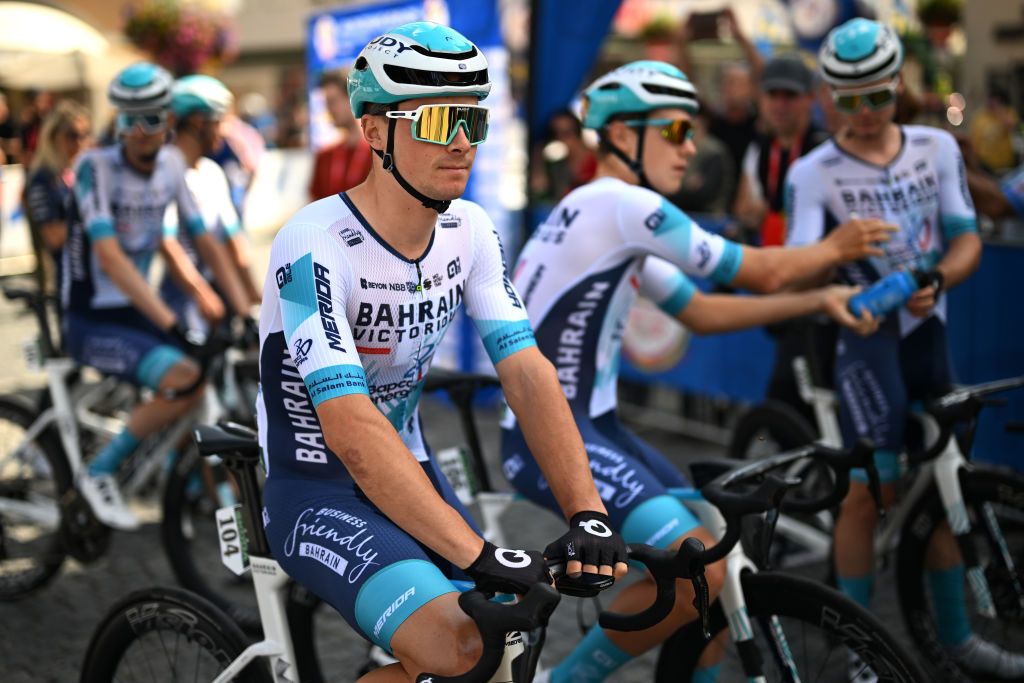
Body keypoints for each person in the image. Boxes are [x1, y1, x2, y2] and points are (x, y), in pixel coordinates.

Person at [257, 22, 629, 682]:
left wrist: (588, 512)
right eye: (434, 120)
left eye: (472, 120)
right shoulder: (314, 241)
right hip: (318, 488)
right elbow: (351, 430)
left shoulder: (470, 229)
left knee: (505, 641)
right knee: (461, 650)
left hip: (413, 470)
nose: (461, 142)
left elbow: (527, 371)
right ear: (374, 131)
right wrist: (482, 553)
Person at [501, 60, 891, 683]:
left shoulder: (602, 213)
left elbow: (701, 312)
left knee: (709, 551)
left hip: (588, 425)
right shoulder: (619, 204)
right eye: (677, 132)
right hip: (552, 434)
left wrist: (819, 298)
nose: (691, 151)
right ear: (624, 137)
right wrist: (835, 249)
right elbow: (759, 271)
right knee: (698, 573)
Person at [786, 19, 1022, 680]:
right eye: (847, 99)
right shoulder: (814, 172)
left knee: (949, 482)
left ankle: (955, 636)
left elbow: (966, 239)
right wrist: (840, 261)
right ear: (830, 95)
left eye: (876, 97)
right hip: (865, 342)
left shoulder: (936, 148)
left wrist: (938, 278)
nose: (862, 114)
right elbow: (798, 268)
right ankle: (856, 645)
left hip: (928, 334)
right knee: (871, 490)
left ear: (898, 84)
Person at [66, 63, 224, 531]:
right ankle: (95, 473)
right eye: (126, 118)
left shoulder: (173, 165)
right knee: (184, 376)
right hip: (90, 316)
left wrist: (241, 305)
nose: (137, 131)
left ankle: (185, 483)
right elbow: (111, 258)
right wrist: (174, 323)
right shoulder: (95, 166)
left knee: (200, 380)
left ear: (168, 122)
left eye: (150, 119)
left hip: (136, 311)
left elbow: (206, 242)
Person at [161, 74, 260, 335]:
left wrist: (256, 301)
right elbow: (182, 245)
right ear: (196, 121)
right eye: (219, 121)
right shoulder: (166, 167)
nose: (225, 131)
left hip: (217, 285)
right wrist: (235, 306)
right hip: (182, 291)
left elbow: (232, 242)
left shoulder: (211, 171)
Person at [734, 54, 828, 246]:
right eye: (772, 95)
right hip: (771, 255)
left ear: (810, 98)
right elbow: (742, 208)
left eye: (790, 95)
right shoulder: (759, 147)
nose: (779, 105)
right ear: (761, 97)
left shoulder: (825, 148)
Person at [24, 99, 92, 298]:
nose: (80, 143)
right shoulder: (42, 177)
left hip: (95, 272)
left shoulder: (81, 172)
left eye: (85, 134)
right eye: (72, 136)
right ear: (54, 137)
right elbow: (53, 237)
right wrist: (97, 225)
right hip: (69, 279)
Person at [309, 69, 372, 200]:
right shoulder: (324, 156)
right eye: (326, 103)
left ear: (353, 99)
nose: (328, 109)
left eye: (332, 101)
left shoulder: (378, 154)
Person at [529, 109, 597, 203]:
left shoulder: (598, 159)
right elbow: (538, 188)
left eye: (566, 133)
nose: (561, 139)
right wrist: (538, 154)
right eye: (554, 134)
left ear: (578, 133)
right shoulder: (555, 164)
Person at [969, 87, 1019, 174]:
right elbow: (974, 140)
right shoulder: (980, 116)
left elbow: (1012, 126)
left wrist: (998, 111)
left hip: (1006, 165)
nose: (990, 101)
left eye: (994, 99)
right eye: (989, 98)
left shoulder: (1008, 112)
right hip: (985, 165)